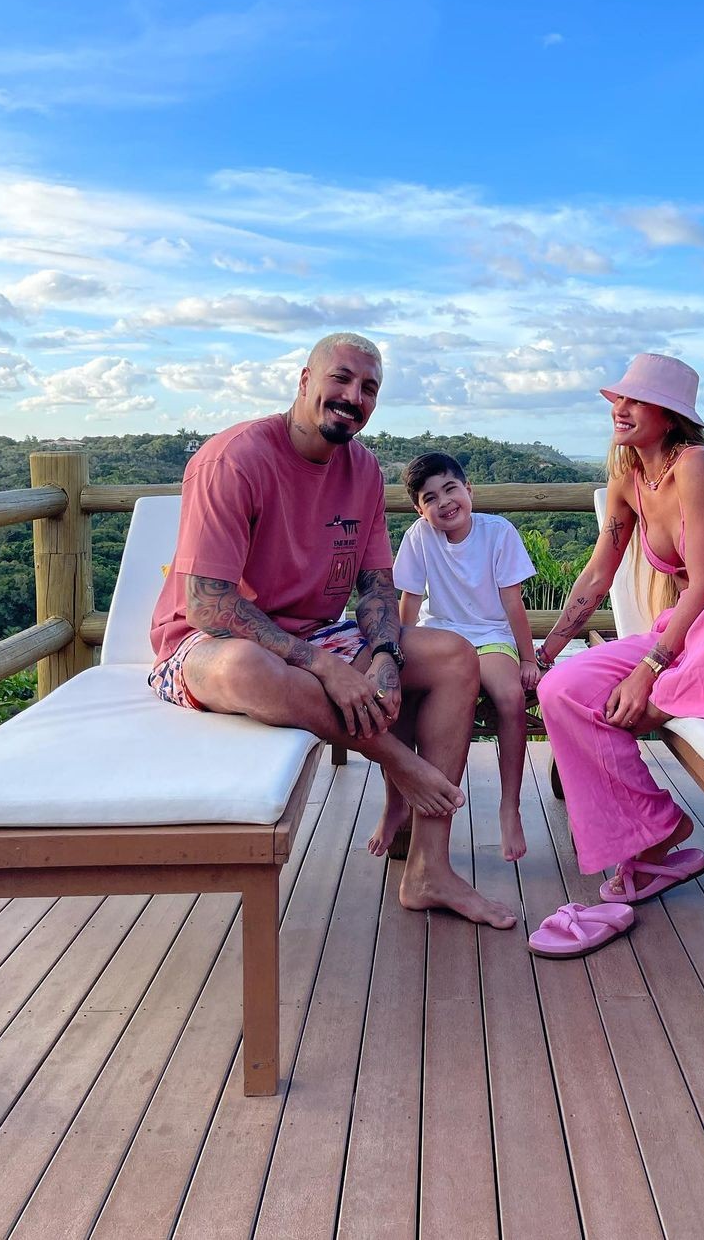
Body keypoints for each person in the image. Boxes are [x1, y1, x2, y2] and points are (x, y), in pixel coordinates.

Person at [147, 332, 517, 930]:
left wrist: (383, 659)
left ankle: (429, 869)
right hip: (207, 645)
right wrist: (327, 668)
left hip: (318, 631)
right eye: (340, 379)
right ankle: (398, 763)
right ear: (304, 380)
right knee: (248, 668)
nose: (353, 396)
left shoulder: (363, 469)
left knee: (452, 655)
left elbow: (375, 586)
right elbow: (210, 605)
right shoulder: (232, 460)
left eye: (368, 388)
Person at [535, 353, 704, 903]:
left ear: (669, 416)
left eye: (636, 400)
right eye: (619, 397)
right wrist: (547, 653)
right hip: (695, 645)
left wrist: (648, 672)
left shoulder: (695, 465)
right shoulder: (628, 483)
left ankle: (667, 695)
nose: (621, 407)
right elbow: (596, 574)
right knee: (562, 691)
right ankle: (655, 834)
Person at [370, 452, 538, 863]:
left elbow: (512, 603)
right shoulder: (419, 536)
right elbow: (409, 598)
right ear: (419, 509)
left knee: (510, 698)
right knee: (395, 698)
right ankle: (395, 802)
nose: (444, 502)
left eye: (450, 489)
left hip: (489, 637)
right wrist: (397, 655)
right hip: (440, 637)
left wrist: (529, 658)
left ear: (469, 491)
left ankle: (509, 806)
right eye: (429, 498)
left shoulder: (497, 533)